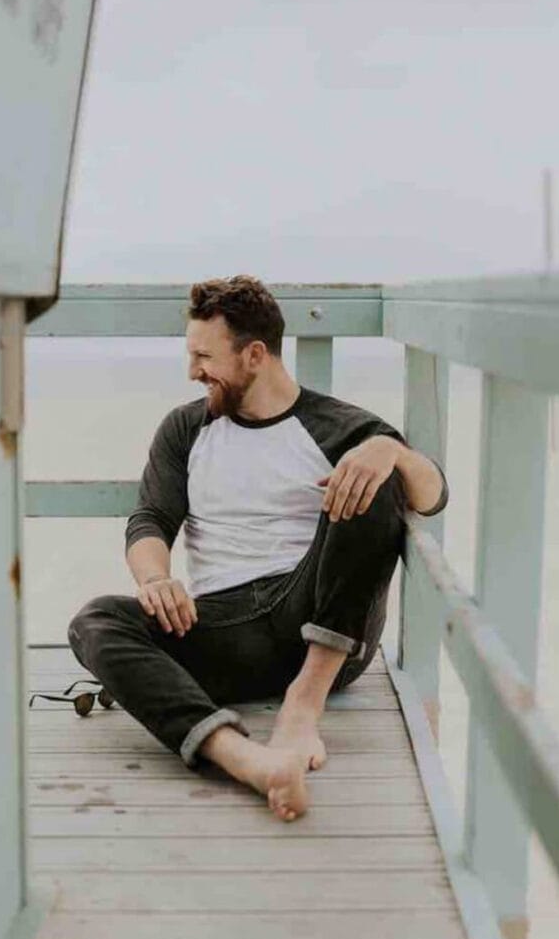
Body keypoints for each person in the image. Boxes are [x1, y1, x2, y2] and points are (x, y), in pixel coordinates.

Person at [68, 275, 448, 822]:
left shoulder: (339, 427)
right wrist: (155, 580)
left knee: (376, 475)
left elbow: (433, 496)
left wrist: (390, 450)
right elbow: (151, 519)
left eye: (203, 356)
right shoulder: (185, 429)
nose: (193, 371)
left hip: (321, 620)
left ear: (253, 355)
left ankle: (302, 707)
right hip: (225, 628)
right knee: (95, 621)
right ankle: (245, 758)